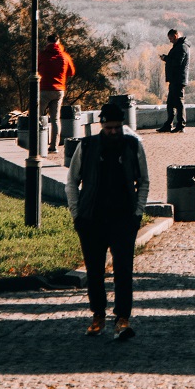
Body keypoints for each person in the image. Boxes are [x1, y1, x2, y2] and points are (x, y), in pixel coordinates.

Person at [65, 98, 148, 340]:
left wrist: (138, 213)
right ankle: (98, 315)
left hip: (124, 217)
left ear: (122, 125)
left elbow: (144, 181)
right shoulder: (88, 146)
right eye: (108, 127)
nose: (113, 132)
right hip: (91, 217)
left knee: (124, 270)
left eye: (116, 127)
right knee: (94, 270)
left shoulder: (133, 146)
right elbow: (72, 181)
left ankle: (123, 318)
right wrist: (76, 213)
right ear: (101, 125)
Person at [40, 35, 76, 154]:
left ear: (47, 42)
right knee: (55, 119)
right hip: (59, 90)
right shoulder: (64, 56)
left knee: (37, 116)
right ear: (58, 42)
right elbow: (71, 72)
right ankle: (53, 147)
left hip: (44, 89)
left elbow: (35, 69)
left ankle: (36, 144)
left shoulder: (42, 55)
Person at [157, 29, 188, 133]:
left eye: (170, 38)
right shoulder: (180, 46)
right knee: (171, 103)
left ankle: (181, 125)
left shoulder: (182, 47)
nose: (170, 41)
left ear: (175, 36)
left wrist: (166, 58)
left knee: (178, 103)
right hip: (175, 79)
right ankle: (169, 124)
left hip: (178, 79)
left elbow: (177, 62)